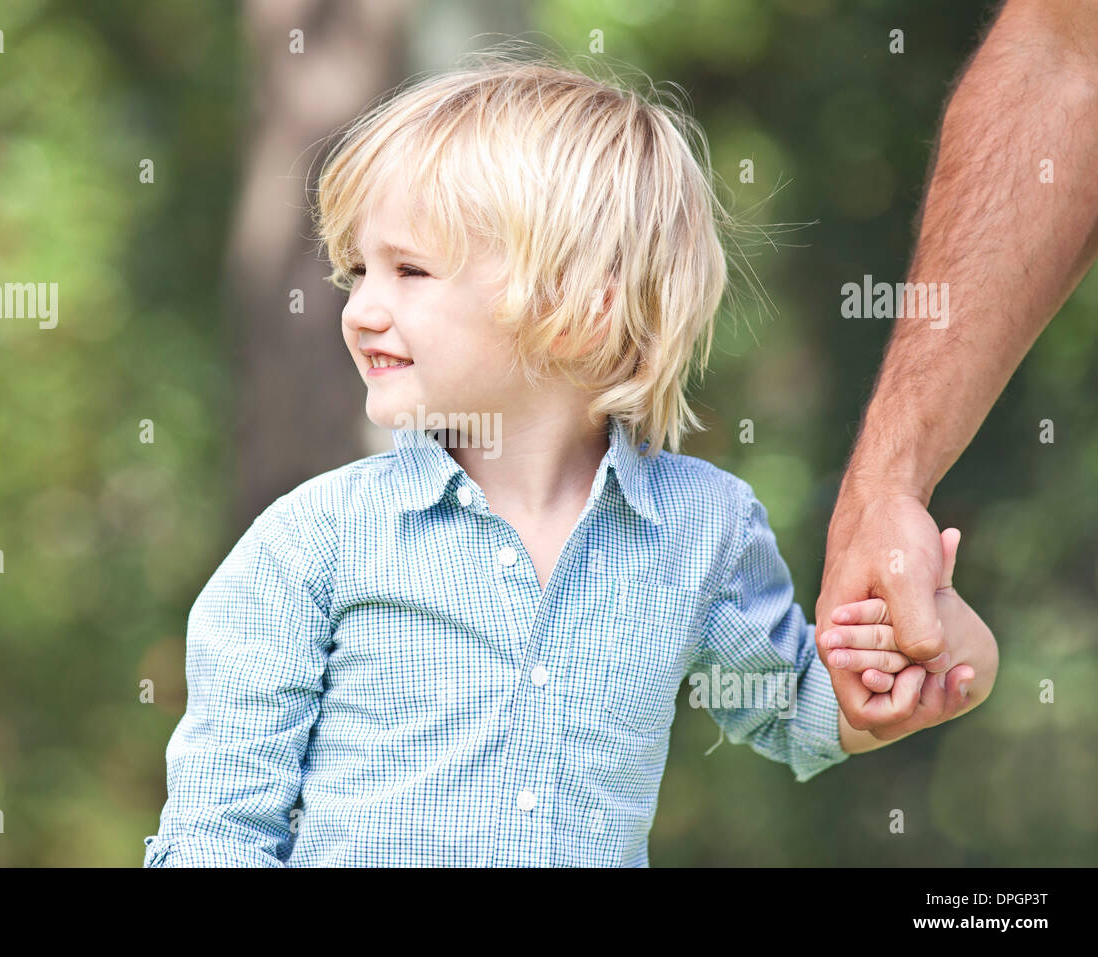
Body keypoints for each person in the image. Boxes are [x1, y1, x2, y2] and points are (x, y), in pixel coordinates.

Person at [144, 52, 998, 868]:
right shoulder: (310, 544)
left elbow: (797, 708)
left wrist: (927, 646)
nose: (362, 307)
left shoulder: (704, 526)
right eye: (356, 269)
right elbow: (219, 827)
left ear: (581, 308)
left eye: (410, 270)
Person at [816, 0, 1098, 735]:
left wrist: (945, 656)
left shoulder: (693, 524)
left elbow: (800, 709)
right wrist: (886, 486)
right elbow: (1067, 59)